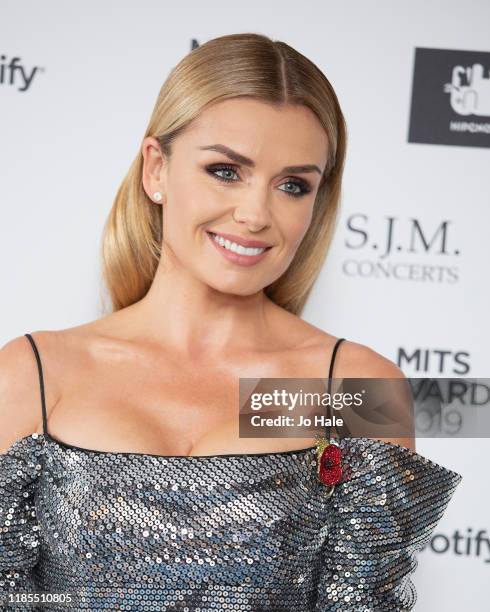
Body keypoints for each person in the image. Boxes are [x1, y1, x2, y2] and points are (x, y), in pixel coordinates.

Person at [0, 32, 462, 611]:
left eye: (293, 186)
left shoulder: (350, 387)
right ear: (156, 170)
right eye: (225, 171)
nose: (255, 215)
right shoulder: (36, 373)